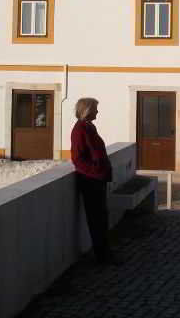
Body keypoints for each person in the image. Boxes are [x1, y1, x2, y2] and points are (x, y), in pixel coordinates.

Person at [70, 97, 120, 265]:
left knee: (101, 217)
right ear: (87, 110)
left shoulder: (88, 127)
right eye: (95, 109)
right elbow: (77, 159)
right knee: (96, 218)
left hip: (97, 178)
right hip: (90, 180)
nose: (98, 112)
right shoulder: (80, 130)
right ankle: (102, 256)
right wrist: (95, 171)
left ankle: (105, 253)